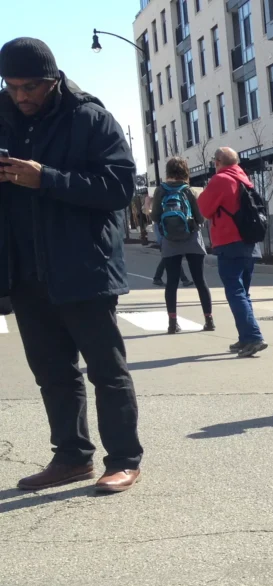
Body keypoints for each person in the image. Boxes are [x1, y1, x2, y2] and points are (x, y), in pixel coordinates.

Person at [0, 37, 143, 493]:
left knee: (106, 370)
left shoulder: (89, 117)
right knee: (52, 373)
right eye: (11, 86)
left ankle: (124, 459)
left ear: (52, 79)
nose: (20, 96)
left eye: (30, 87)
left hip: (84, 267)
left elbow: (119, 188)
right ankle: (71, 457)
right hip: (25, 271)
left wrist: (47, 178)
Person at [197, 147, 267, 359]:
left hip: (230, 242)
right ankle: (245, 337)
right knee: (243, 293)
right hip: (250, 243)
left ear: (218, 162)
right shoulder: (244, 179)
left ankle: (253, 336)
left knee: (235, 292)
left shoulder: (220, 180)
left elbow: (204, 209)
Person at [150, 155, 214, 334]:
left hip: (170, 241)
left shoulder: (160, 190)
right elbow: (200, 218)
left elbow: (155, 217)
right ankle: (209, 320)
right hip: (192, 239)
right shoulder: (189, 191)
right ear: (185, 171)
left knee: (171, 282)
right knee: (200, 280)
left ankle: (172, 323)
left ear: (168, 171)